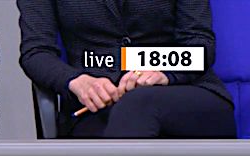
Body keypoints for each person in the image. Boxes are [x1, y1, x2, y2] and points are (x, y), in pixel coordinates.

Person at [18, 0, 235, 138]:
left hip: (186, 96)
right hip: (96, 110)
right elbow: (36, 52)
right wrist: (77, 81)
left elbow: (200, 44)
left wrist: (161, 71)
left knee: (139, 103)